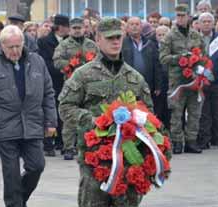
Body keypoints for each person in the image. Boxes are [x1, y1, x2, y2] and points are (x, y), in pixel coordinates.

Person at [58, 17, 153, 207]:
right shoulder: (83, 74)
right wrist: (95, 122)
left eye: (118, 37)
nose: (115, 42)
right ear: (98, 40)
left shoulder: (134, 77)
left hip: (128, 154)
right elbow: (65, 107)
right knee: (93, 202)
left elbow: (149, 113)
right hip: (95, 155)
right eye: (110, 38)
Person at [0, 25, 57, 207]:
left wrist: (51, 121)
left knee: (37, 166)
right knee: (11, 174)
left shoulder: (37, 62)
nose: (15, 51)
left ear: (23, 43)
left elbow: (48, 92)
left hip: (32, 123)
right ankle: (15, 203)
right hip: (5, 126)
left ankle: (18, 200)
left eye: (18, 46)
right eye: (10, 47)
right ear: (1, 46)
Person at [159, 4, 205, 154]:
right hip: (177, 81)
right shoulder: (169, 36)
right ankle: (177, 142)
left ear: (188, 17)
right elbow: (163, 58)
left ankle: (191, 141)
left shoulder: (196, 35)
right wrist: (180, 58)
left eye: (183, 16)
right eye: (177, 16)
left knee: (194, 112)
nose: (180, 18)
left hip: (194, 80)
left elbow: (204, 56)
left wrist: (199, 66)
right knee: (176, 113)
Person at [53, 17, 98, 160]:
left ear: (84, 29)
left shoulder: (91, 44)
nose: (77, 30)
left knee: (90, 114)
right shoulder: (64, 45)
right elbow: (56, 61)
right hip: (72, 84)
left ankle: (88, 144)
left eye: (80, 28)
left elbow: (100, 60)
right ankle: (68, 147)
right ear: (70, 29)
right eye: (74, 28)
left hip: (90, 84)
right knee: (70, 116)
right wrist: (70, 64)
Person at [197, 12, 218, 149]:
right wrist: (203, 73)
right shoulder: (194, 38)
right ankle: (204, 140)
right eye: (203, 21)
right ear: (199, 24)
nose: (206, 23)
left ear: (213, 24)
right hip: (201, 81)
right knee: (204, 112)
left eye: (209, 21)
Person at [37, 14, 69, 157]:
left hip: (67, 83)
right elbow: (44, 62)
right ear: (61, 27)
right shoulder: (44, 41)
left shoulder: (70, 41)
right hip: (51, 81)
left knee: (63, 112)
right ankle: (48, 144)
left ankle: (62, 142)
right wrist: (64, 68)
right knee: (50, 111)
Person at [122, 17, 162, 112]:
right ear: (127, 28)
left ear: (141, 27)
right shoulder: (122, 44)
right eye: (131, 24)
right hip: (128, 85)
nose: (134, 27)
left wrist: (158, 85)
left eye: (137, 24)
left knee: (147, 112)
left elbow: (157, 65)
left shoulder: (150, 44)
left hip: (147, 85)